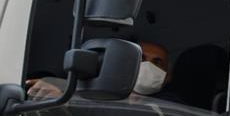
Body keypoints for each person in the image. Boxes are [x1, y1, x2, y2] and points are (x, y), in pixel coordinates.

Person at [25, 40, 176, 102]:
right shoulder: (97, 89)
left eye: (157, 62)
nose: (147, 66)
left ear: (167, 77)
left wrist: (64, 102)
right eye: (141, 59)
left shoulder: (172, 107)